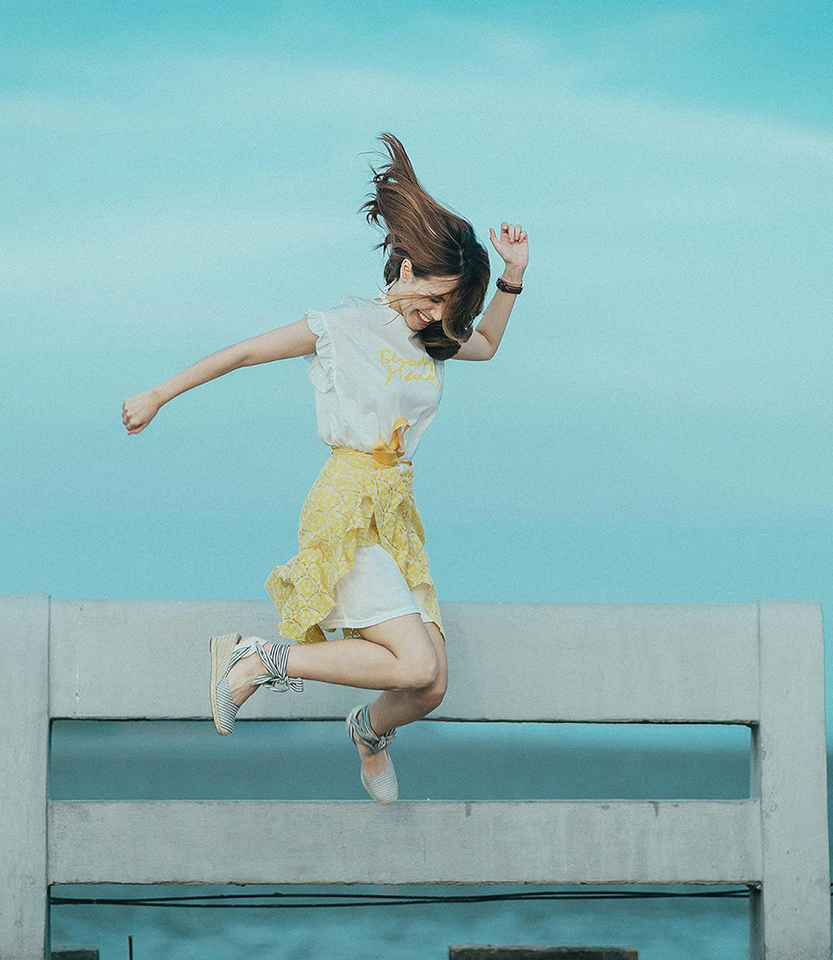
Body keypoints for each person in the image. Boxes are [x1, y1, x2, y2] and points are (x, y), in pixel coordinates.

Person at [121, 132, 528, 804]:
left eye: (448, 309)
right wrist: (159, 394)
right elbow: (246, 353)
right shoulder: (344, 326)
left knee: (430, 684)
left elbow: (484, 344)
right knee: (415, 661)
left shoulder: (431, 337)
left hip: (395, 514)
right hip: (346, 503)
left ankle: (368, 733)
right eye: (432, 300)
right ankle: (260, 658)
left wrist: (512, 274)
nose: (436, 318)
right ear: (405, 271)